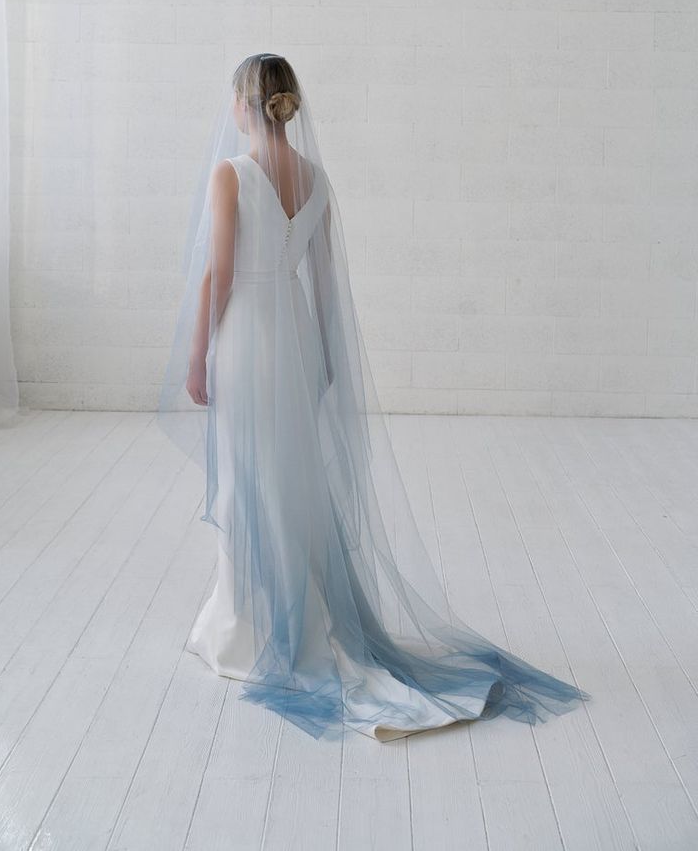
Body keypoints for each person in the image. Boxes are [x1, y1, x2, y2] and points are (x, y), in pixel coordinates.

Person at [157, 53, 591, 742]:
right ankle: (298, 615)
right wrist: (325, 358)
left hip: (247, 337)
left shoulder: (231, 174)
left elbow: (220, 272)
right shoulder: (318, 178)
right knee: (293, 481)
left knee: (250, 477)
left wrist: (195, 357)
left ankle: (249, 629)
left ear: (244, 104)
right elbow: (326, 286)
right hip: (294, 335)